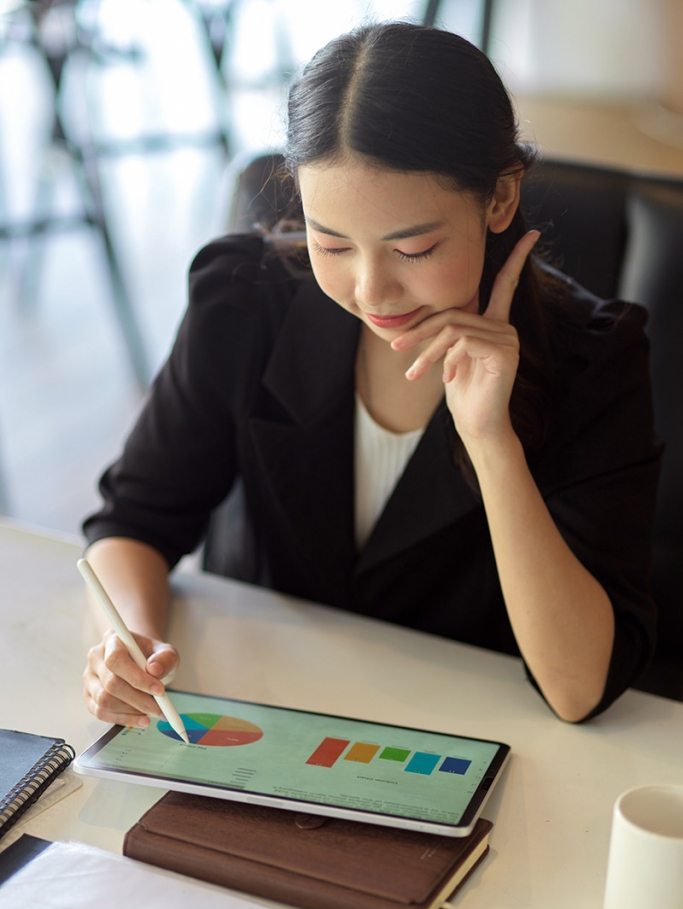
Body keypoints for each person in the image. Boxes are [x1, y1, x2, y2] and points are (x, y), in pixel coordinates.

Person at [81, 21, 660, 726]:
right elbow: (135, 519)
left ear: (500, 199)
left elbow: (578, 689)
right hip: (255, 710)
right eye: (331, 243)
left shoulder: (592, 358)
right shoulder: (244, 298)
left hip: (462, 740)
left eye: (412, 248)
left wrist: (489, 440)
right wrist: (127, 642)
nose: (370, 291)